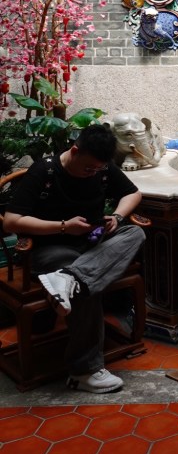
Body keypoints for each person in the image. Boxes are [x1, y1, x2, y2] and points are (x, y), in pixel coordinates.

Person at [3, 124, 145, 394]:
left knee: (134, 233)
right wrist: (63, 227)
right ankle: (84, 371)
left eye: (99, 169)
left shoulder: (101, 167)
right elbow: (11, 221)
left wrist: (116, 217)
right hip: (51, 249)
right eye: (89, 168)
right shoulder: (44, 171)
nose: (94, 173)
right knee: (86, 286)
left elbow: (133, 193)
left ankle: (70, 278)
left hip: (91, 245)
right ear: (75, 150)